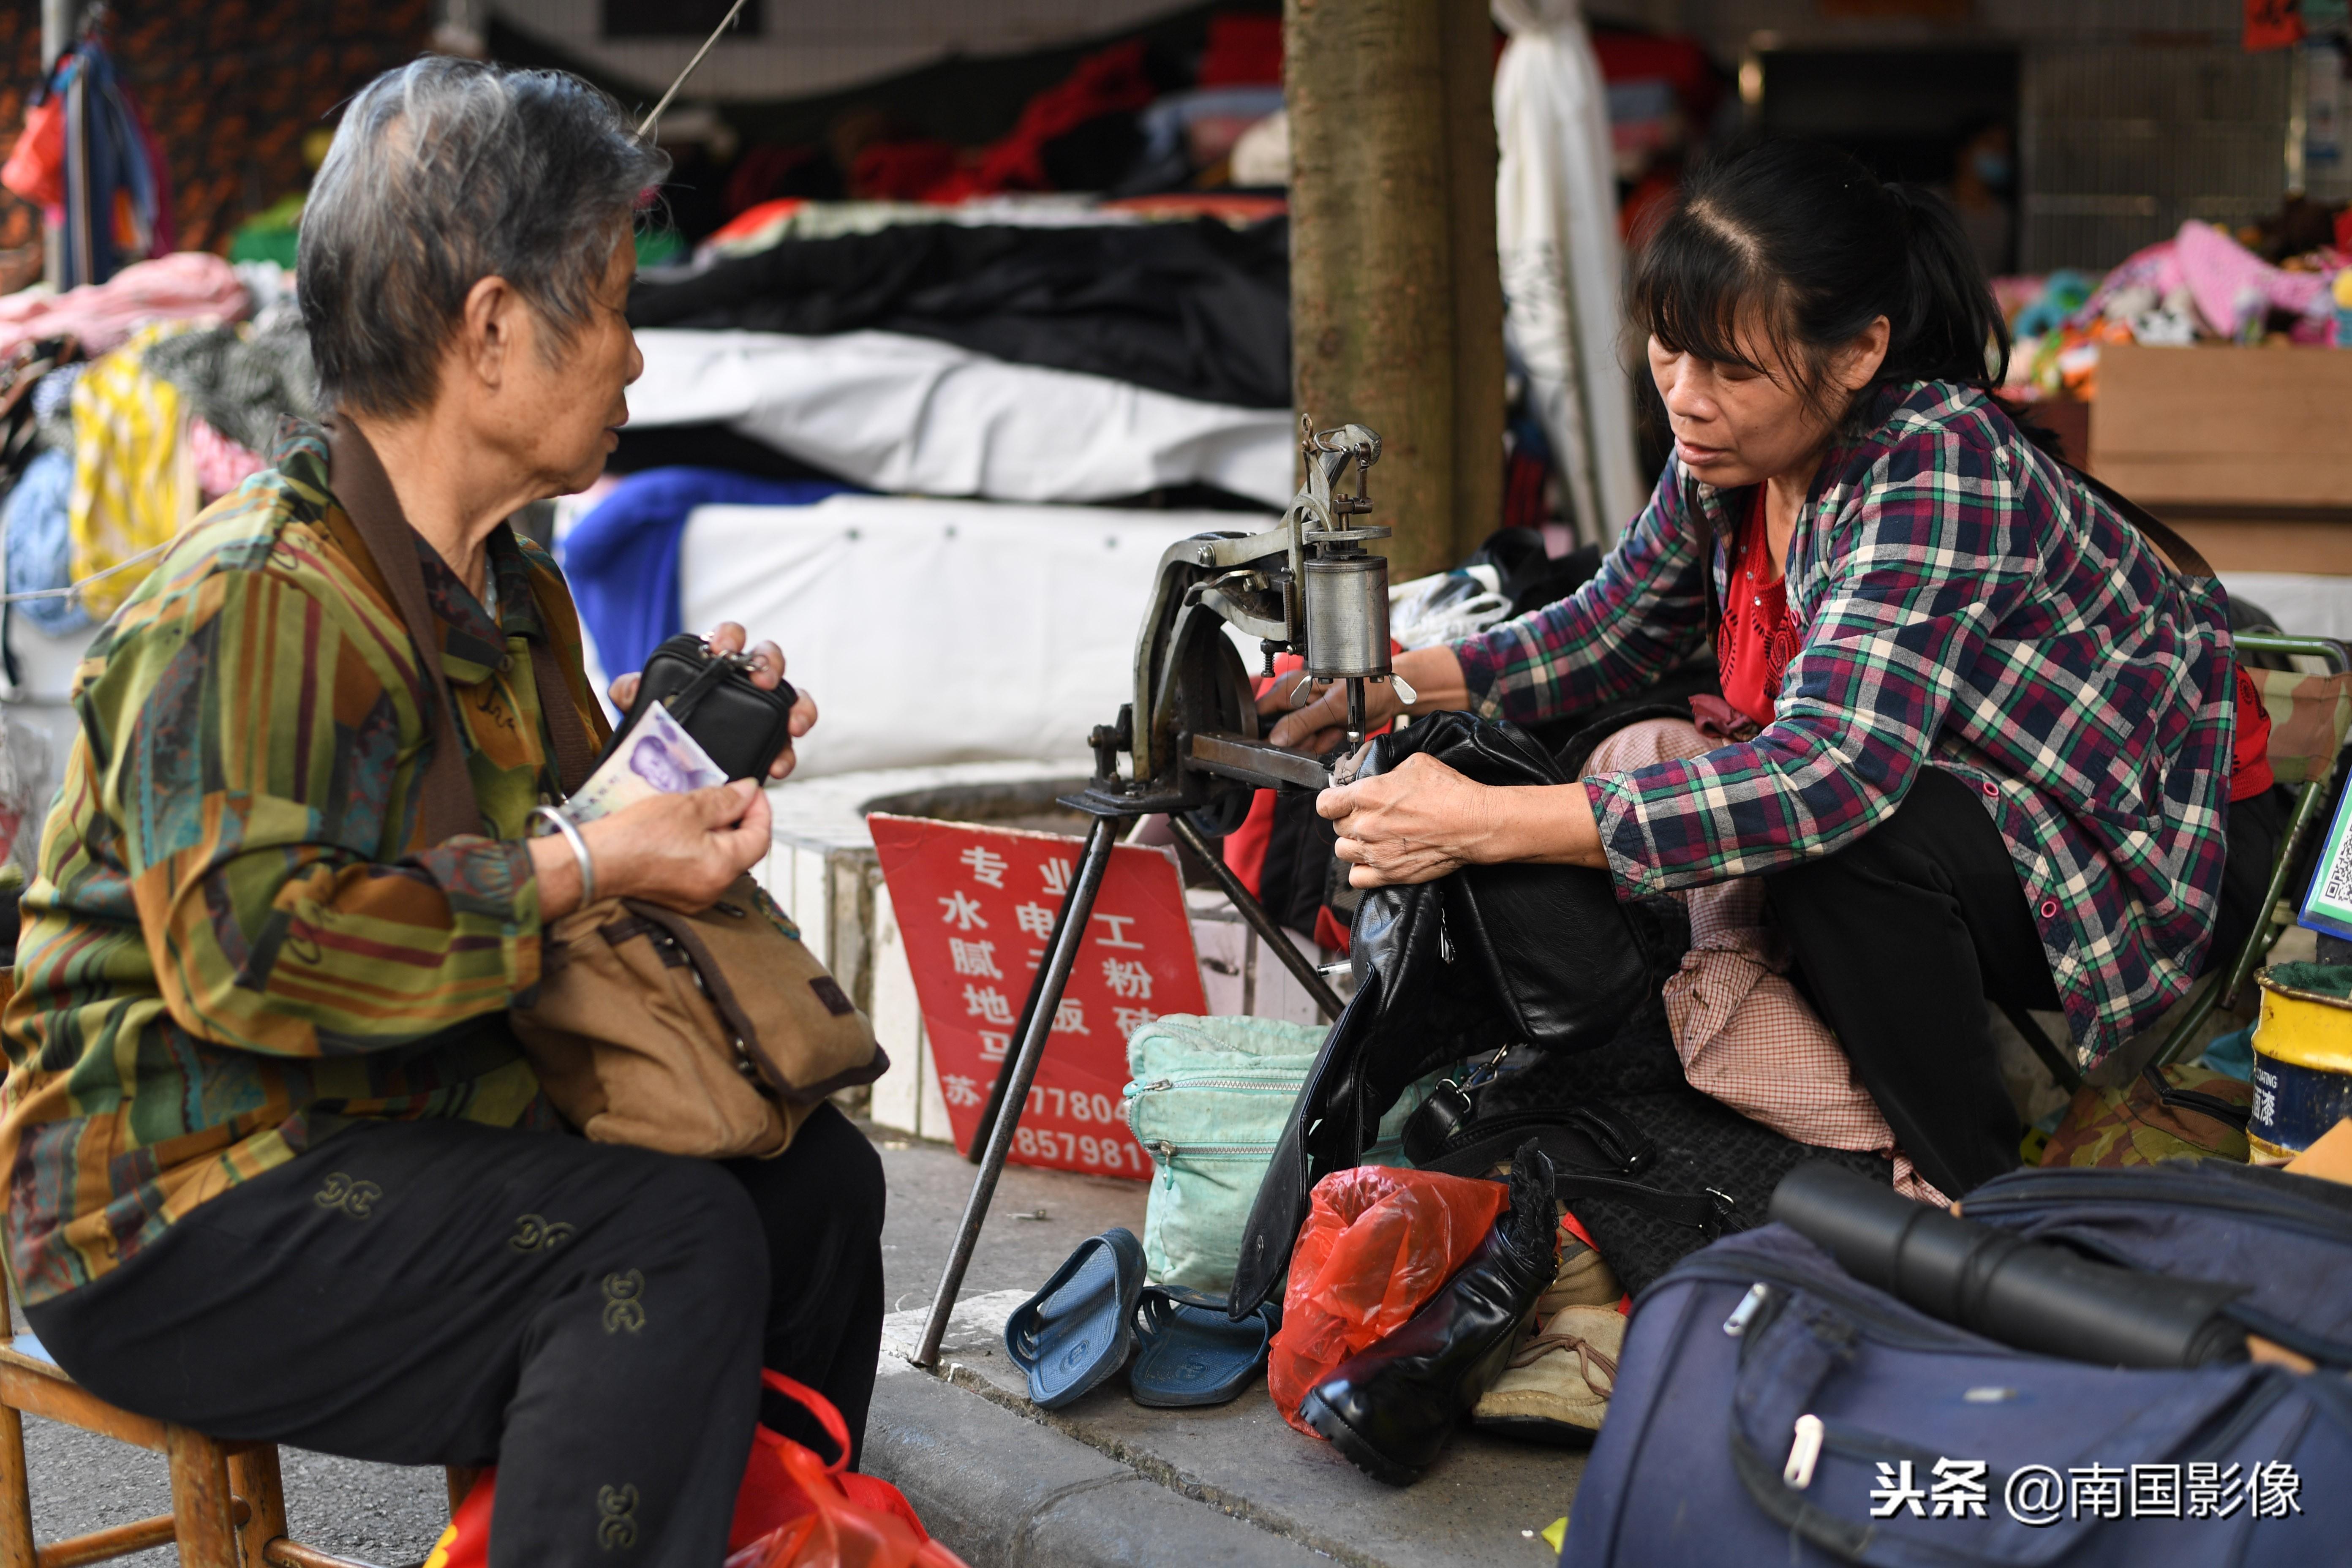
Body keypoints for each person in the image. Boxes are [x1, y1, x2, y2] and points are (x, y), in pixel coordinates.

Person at [0, 60, 881, 1568]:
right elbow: (254, 960)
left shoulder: (508, 587)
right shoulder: (256, 602)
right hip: (170, 1195)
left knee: (810, 1186)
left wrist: (683, 767)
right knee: (658, 1251)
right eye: (608, 306)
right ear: (489, 330)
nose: (631, 363)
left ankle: (760, 1542)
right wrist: (598, 856)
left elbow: (550, 853)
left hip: (396, 1109)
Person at [1268, 139, 2280, 1200]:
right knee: (1637, 750)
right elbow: (1614, 627)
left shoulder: (1936, 462)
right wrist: (1391, 682)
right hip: (1977, 805)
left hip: (2151, 847)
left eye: (1730, 369)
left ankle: (1970, 1190)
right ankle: (1829, 1106)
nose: (1686, 398)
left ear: (1856, 353)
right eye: (1668, 352)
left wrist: (1481, 820)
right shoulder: (1736, 446)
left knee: (1840, 842)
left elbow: (1832, 771)